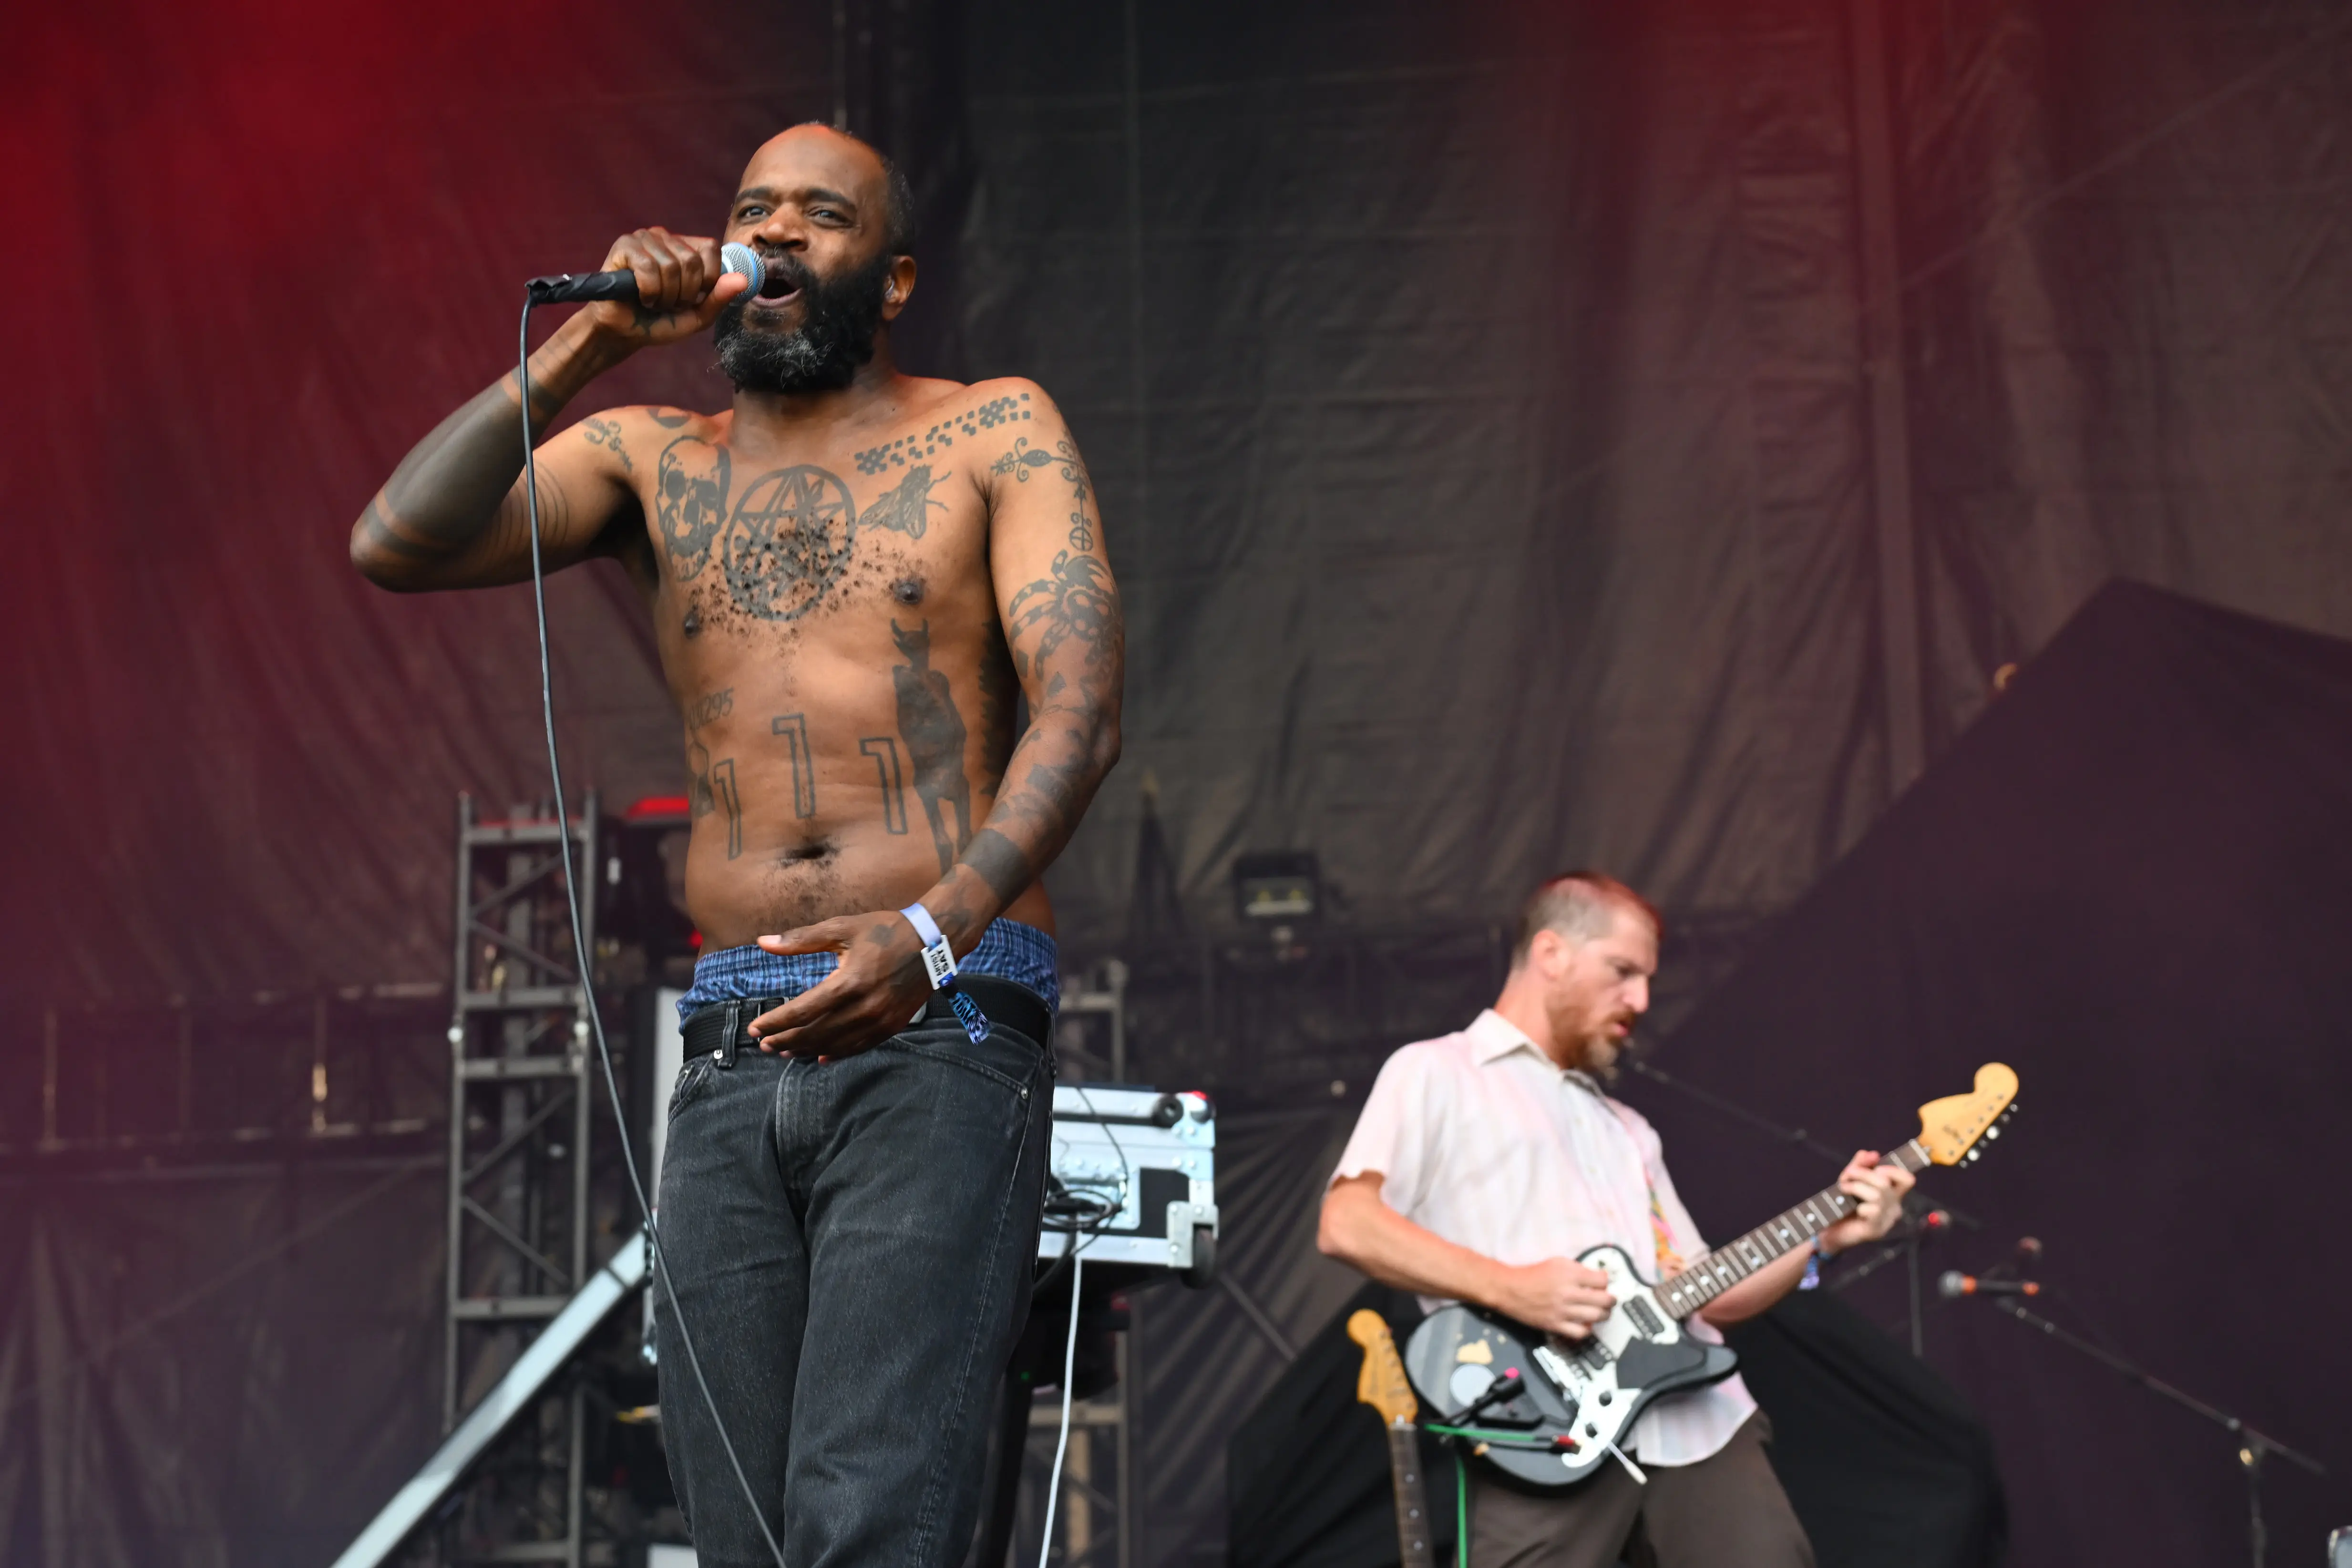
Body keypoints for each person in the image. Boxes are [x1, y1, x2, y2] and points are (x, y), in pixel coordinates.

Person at [350, 122, 1122, 1568]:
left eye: (818, 217)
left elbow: (1078, 712)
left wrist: (936, 928)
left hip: (942, 1007)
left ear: (888, 281)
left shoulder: (993, 426)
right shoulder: (652, 457)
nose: (774, 233)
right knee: (743, 1540)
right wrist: (592, 345)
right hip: (731, 1037)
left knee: (868, 1521)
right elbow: (394, 539)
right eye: (752, 209)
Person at [1317, 872, 1914, 1568]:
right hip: (1543, 1428)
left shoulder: (1628, 1128)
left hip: (1701, 1427)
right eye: (1623, 971)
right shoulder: (1437, 1073)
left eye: (1648, 980)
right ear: (1552, 954)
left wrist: (1825, 1237)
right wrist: (1511, 1287)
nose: (1642, 1001)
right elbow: (1346, 1223)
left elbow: (1708, 1295)